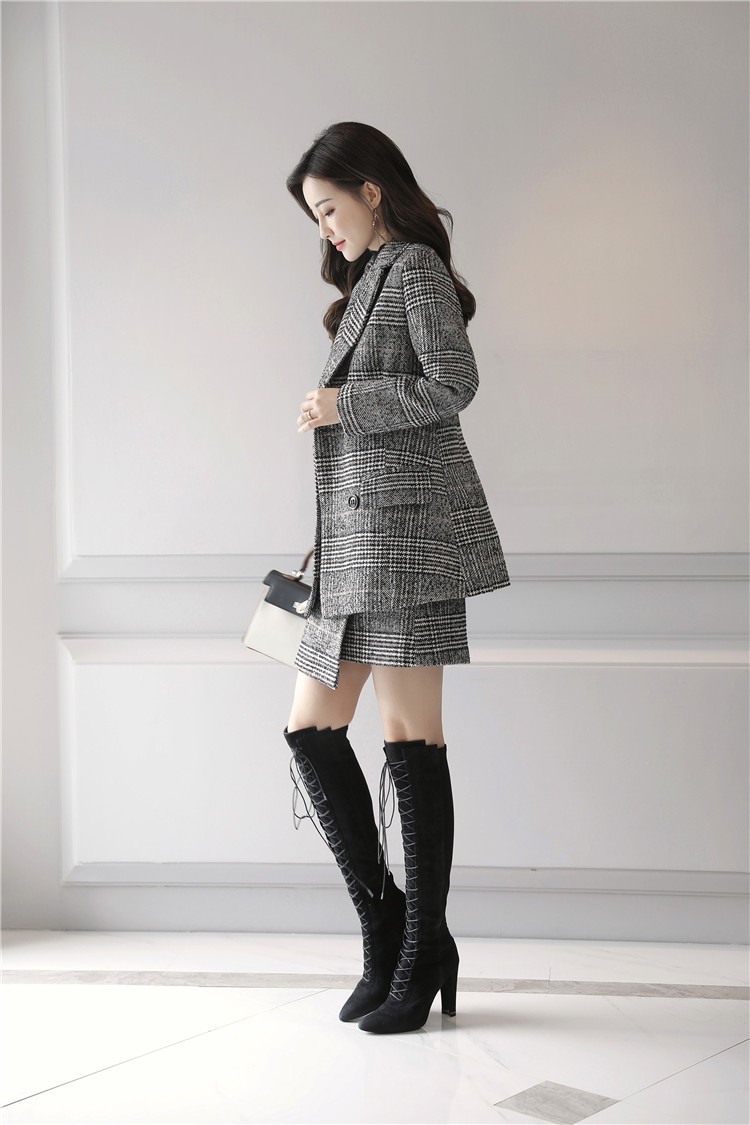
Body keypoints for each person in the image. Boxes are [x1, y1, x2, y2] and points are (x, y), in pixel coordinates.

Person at [282, 122, 510, 1035]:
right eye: (315, 217)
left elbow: (454, 383)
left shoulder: (413, 268)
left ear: (371, 191)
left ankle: (417, 954)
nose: (325, 228)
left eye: (328, 208)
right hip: (355, 545)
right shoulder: (370, 278)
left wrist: (345, 402)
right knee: (310, 730)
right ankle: (393, 931)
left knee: (411, 741)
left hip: (410, 541)